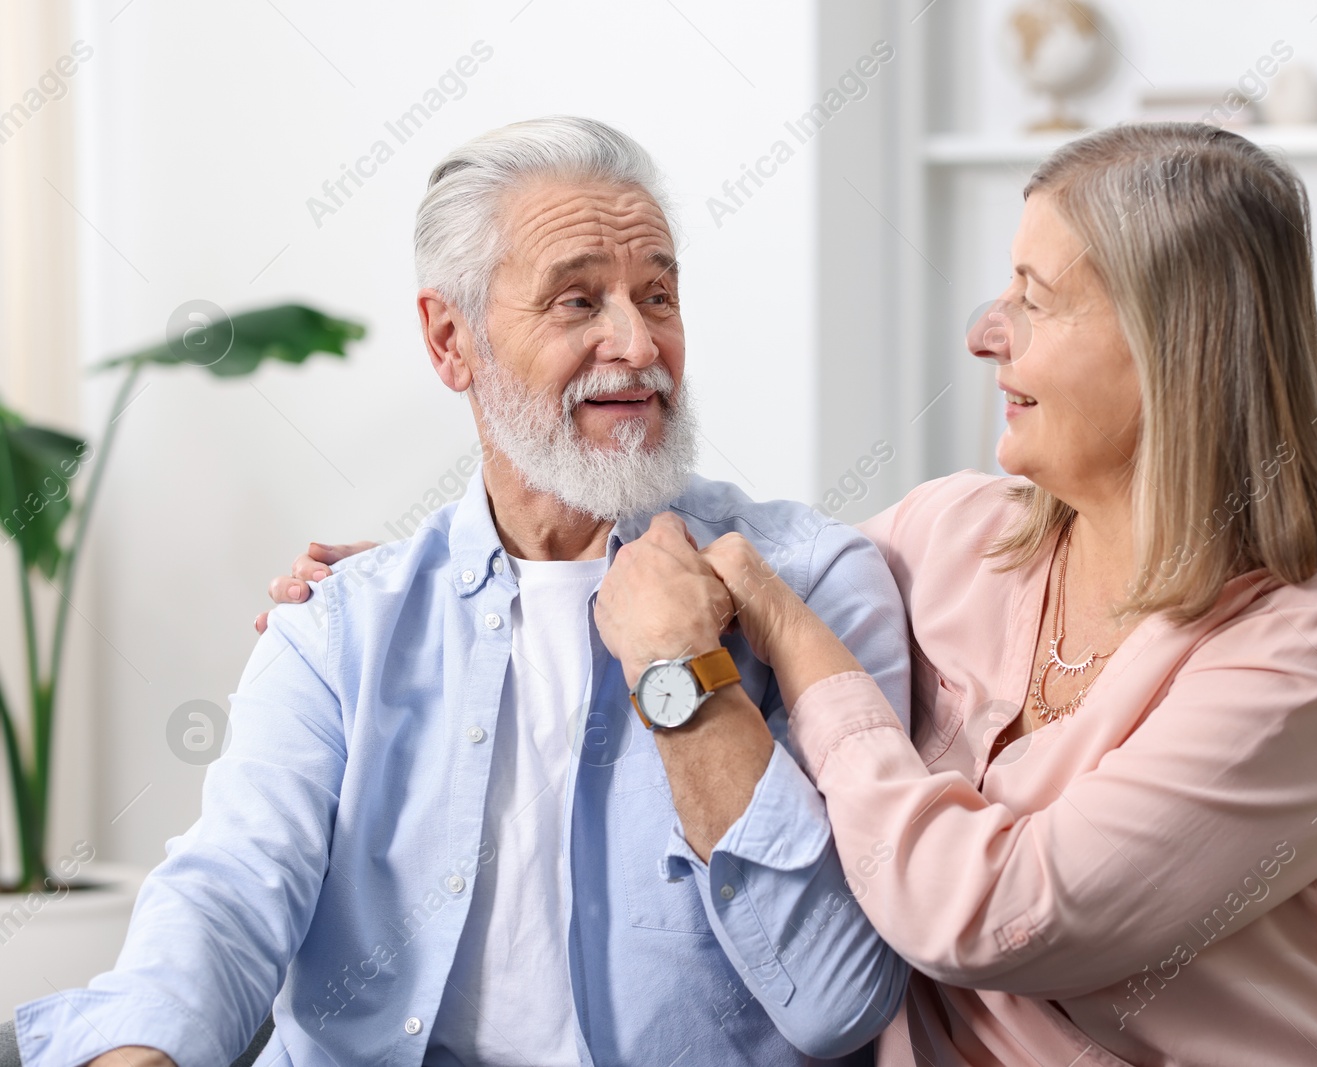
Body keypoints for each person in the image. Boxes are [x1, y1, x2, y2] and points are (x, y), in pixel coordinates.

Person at [284, 121, 1317, 1064]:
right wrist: (467, 572)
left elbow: (990, 913)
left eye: (1032, 297)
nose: (984, 334)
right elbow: (710, 559)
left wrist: (786, 631)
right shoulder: (957, 536)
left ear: (1173, 345)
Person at [13, 117, 909, 1067]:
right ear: (452, 340)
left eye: (659, 295)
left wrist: (683, 672)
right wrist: (139, 1049)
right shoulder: (340, 624)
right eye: (577, 301)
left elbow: (837, 999)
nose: (637, 342)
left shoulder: (811, 583)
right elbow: (232, 884)